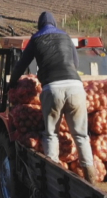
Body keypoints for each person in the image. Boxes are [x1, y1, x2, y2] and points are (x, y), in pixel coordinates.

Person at [8, 11, 97, 183]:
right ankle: (91, 176)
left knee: (51, 134)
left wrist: (12, 83)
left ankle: (52, 176)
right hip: (75, 87)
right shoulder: (65, 37)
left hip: (52, 88)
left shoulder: (36, 38)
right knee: (81, 135)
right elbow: (75, 63)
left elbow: (22, 64)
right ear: (55, 24)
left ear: (40, 26)